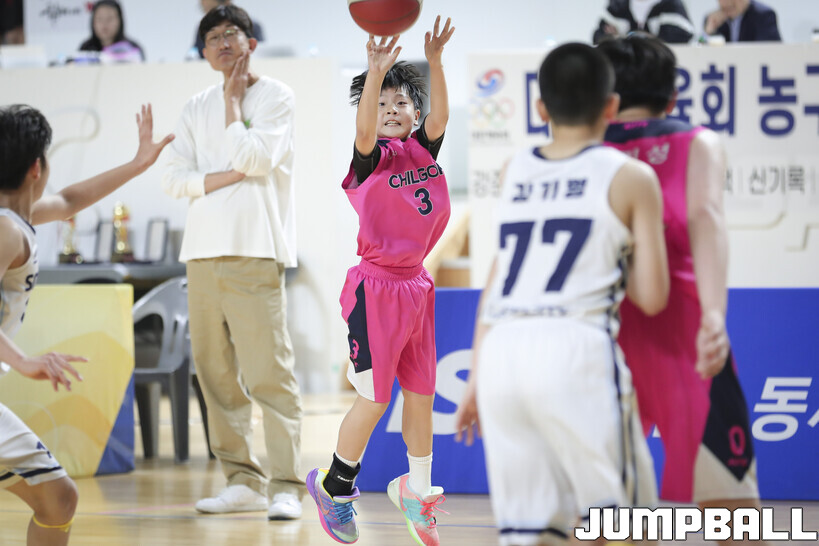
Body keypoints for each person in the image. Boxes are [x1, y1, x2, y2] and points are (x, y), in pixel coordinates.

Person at [454, 42, 668, 546]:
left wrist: (476, 376)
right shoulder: (631, 176)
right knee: (629, 524)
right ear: (611, 106)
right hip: (576, 347)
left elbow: (497, 280)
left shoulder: (514, 169)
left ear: (540, 108)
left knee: (532, 533)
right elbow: (652, 296)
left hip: (503, 354)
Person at [598, 35, 767, 545]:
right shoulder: (698, 142)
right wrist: (713, 316)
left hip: (604, 342)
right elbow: (706, 218)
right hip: (687, 338)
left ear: (605, 97)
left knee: (609, 515)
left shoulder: (583, 151)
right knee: (733, 513)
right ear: (672, 98)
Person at [305, 17, 455, 546]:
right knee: (374, 400)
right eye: (384, 103)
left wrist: (434, 62)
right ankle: (335, 488)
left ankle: (417, 490)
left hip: (417, 286)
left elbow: (441, 115)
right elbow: (365, 130)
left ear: (416, 113)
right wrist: (374, 74)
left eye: (402, 103)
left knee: (421, 394)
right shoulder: (370, 160)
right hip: (376, 289)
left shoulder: (424, 151)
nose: (392, 109)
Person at [0, 103, 172, 546]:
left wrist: (137, 164)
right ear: (37, 167)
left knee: (57, 500)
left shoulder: (17, 219)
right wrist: (24, 362)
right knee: (58, 498)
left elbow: (71, 201)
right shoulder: (6, 230)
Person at [161, 4, 303, 521]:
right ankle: (242, 480)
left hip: (255, 250)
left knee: (269, 374)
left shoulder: (276, 96)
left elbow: (253, 159)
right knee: (215, 375)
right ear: (203, 52)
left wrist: (234, 104)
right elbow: (172, 178)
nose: (223, 43)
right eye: (213, 37)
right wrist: (224, 177)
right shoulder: (193, 106)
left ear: (251, 43)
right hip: (200, 255)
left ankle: (286, 485)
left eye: (232, 34)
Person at [593, 0, 695, 44]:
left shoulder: (671, 5)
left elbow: (680, 37)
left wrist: (622, 39)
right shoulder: (617, 5)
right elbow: (599, 37)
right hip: (624, 70)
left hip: (661, 68)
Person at [191, 0, 265, 59]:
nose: (223, 46)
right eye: (214, 37)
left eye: (230, 33)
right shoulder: (204, 28)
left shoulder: (252, 25)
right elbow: (196, 52)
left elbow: (260, 54)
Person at [78, 0, 145, 62]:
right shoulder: (85, 48)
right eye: (99, 19)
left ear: (120, 20)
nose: (104, 23)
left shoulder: (131, 48)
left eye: (110, 19)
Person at [703, 0, 781, 42]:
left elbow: (770, 51)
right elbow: (701, 51)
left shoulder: (764, 16)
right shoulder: (713, 20)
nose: (727, 2)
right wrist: (708, 33)